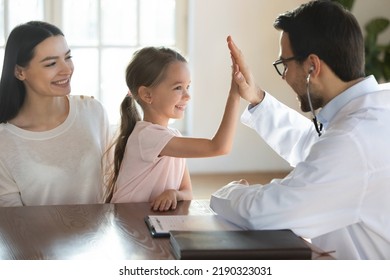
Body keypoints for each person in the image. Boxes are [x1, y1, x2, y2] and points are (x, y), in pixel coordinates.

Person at [210, 0, 390, 260]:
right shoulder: (369, 114)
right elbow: (316, 148)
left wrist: (226, 192)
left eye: (285, 63)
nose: (283, 75)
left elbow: (263, 212)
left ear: (312, 66)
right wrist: (257, 98)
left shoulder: (354, 139)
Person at [106, 46, 240, 211]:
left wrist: (174, 194)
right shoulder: (147, 136)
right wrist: (234, 95)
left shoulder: (171, 137)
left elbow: (188, 192)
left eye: (188, 86)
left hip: (146, 222)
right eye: (178, 87)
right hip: (128, 224)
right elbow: (219, 147)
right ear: (147, 95)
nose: (187, 95)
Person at [0, 21, 110, 207]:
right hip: (35, 236)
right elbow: (12, 220)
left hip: (101, 234)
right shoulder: (5, 140)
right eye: (51, 63)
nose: (67, 69)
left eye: (67, 57)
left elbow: (113, 183)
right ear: (20, 72)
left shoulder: (92, 111)